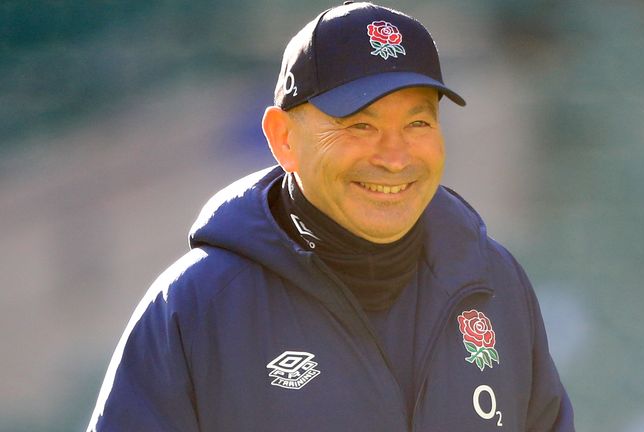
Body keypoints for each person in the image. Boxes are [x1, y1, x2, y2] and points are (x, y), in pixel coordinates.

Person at [87, 2, 574, 431]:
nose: (395, 157)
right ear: (283, 139)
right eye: (359, 125)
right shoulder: (196, 307)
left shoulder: (495, 282)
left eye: (417, 122)